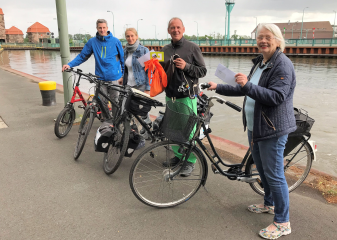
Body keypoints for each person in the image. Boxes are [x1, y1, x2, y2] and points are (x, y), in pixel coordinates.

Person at [207, 23, 296, 239]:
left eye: (267, 37)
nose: (263, 41)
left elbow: (276, 97)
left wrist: (247, 86)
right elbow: (244, 88)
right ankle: (269, 203)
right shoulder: (261, 62)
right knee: (263, 170)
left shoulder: (282, 65)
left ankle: (283, 222)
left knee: (275, 175)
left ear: (277, 40)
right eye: (259, 37)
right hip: (256, 128)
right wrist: (217, 86)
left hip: (272, 129)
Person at [160, 17, 207, 177]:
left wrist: (186, 66)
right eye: (172, 27)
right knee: (173, 130)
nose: (175, 30)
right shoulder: (164, 50)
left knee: (188, 131)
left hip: (187, 96)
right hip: (170, 96)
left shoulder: (192, 48)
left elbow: (202, 71)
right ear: (168, 30)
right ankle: (179, 157)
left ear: (183, 29)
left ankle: (190, 161)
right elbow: (157, 70)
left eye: (178, 27)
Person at [62, 19, 124, 117]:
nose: (102, 30)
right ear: (97, 28)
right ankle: (107, 122)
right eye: (100, 28)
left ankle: (116, 123)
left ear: (107, 28)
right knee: (102, 102)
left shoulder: (116, 41)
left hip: (114, 77)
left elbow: (122, 59)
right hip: (100, 78)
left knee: (115, 102)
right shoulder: (92, 42)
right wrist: (70, 65)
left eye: (104, 27)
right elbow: (82, 56)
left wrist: (123, 75)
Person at [118, 28, 151, 140]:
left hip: (140, 85)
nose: (130, 38)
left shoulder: (143, 50)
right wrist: (123, 77)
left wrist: (148, 88)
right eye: (128, 36)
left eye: (132, 36)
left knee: (141, 112)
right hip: (128, 85)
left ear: (137, 36)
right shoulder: (125, 51)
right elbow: (126, 67)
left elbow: (149, 70)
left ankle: (147, 130)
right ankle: (131, 133)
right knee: (126, 108)